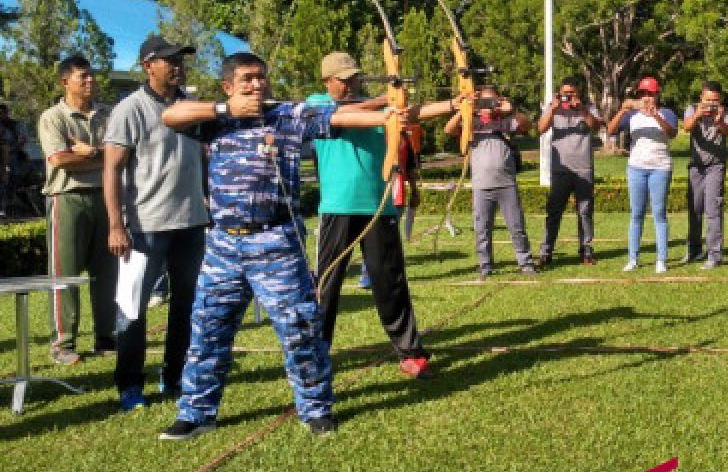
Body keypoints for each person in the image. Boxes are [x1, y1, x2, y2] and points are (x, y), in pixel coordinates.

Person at [157, 52, 396, 439]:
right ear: (228, 86)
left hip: (276, 240)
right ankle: (197, 413)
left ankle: (315, 409)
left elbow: (344, 116)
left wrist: (398, 112)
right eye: (248, 79)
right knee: (207, 331)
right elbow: (170, 116)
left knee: (300, 327)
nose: (257, 85)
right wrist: (224, 108)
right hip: (223, 244)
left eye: (261, 77)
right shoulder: (214, 120)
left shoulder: (287, 116)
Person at [307, 51, 459, 379]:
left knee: (390, 281)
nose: (351, 85)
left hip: (379, 206)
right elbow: (344, 115)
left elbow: (409, 114)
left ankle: (410, 352)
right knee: (326, 283)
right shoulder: (317, 103)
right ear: (327, 81)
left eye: (354, 78)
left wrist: (453, 105)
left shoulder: (378, 107)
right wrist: (384, 102)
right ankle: (317, 353)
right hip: (338, 208)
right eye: (343, 80)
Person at [103, 36, 208, 411]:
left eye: (180, 60)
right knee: (133, 309)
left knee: (187, 305)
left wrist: (208, 203)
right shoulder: (129, 109)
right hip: (145, 227)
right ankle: (129, 384)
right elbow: (111, 170)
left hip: (191, 224)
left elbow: (204, 160)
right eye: (169, 60)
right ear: (148, 65)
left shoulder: (191, 108)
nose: (178, 65)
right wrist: (116, 225)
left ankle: (175, 375)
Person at [38, 56, 118, 364]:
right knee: (65, 273)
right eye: (83, 77)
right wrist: (103, 158)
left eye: (92, 76)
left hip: (105, 196)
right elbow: (59, 159)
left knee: (107, 272)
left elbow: (122, 152)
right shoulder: (53, 117)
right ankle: (63, 342)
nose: (90, 81)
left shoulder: (108, 115)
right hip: (67, 198)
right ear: (64, 82)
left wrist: (92, 153)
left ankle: (106, 337)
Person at [445, 85, 535, 278]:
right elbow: (449, 129)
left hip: (506, 183)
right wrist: (465, 109)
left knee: (516, 226)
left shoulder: (505, 121)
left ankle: (525, 262)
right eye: (483, 102)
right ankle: (485, 265)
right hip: (481, 185)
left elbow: (528, 126)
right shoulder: (472, 123)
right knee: (482, 229)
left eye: (491, 101)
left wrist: (511, 110)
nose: (487, 106)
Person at [608, 76, 678, 273]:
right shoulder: (632, 115)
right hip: (636, 167)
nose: (647, 97)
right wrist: (623, 109)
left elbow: (672, 133)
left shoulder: (667, 113)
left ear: (657, 95)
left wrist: (655, 116)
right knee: (636, 214)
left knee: (659, 214)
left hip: (660, 167)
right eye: (643, 94)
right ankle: (633, 258)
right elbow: (611, 130)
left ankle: (661, 259)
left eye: (651, 94)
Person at [536, 76, 603, 267]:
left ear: (579, 93)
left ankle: (586, 250)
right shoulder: (553, 107)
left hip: (583, 168)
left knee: (585, 211)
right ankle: (546, 251)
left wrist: (581, 108)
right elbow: (540, 128)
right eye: (564, 93)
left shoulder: (588, 107)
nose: (567, 96)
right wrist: (553, 108)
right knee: (554, 211)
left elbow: (596, 127)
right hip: (560, 169)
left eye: (571, 93)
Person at [682, 81, 728, 268]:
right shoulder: (692, 109)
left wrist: (719, 121)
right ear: (701, 98)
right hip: (696, 167)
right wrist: (699, 114)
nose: (711, 104)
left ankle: (715, 254)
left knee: (713, 210)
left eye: (715, 100)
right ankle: (694, 249)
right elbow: (687, 127)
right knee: (695, 209)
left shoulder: (727, 112)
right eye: (708, 100)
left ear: (720, 99)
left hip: (716, 166)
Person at [0, 102, 23, 217]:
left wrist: (13, 148)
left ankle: (8, 207)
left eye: (3, 113)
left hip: (13, 157)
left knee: (10, 181)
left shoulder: (13, 125)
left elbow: (22, 139)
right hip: (3, 157)